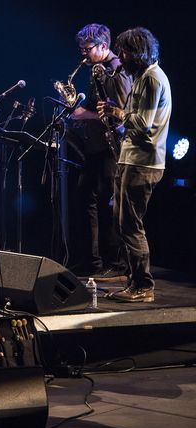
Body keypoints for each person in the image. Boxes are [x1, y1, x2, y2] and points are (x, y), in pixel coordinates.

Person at [97, 27, 171, 302]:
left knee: (130, 225)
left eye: (125, 51)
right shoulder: (143, 77)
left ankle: (143, 286)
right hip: (133, 159)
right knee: (124, 222)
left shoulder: (151, 79)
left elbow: (142, 124)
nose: (121, 56)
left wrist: (119, 114)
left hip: (143, 162)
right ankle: (134, 283)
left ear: (138, 52)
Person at [66, 24, 132, 281]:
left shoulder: (116, 71)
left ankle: (117, 263)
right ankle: (93, 261)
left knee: (111, 205)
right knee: (87, 200)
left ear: (104, 46)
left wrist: (86, 114)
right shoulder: (97, 69)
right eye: (81, 49)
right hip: (95, 146)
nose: (83, 54)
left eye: (88, 49)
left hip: (111, 147)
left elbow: (123, 116)